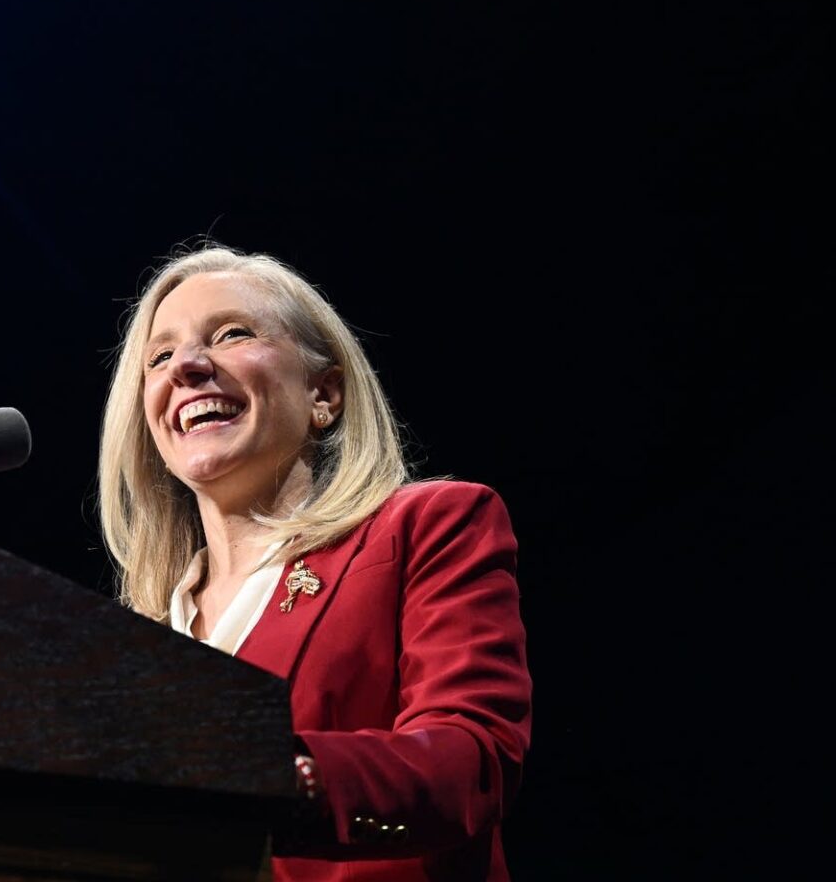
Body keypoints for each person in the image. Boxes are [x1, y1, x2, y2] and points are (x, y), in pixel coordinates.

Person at [97, 243, 533, 881]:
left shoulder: (426, 526)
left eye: (232, 334)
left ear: (324, 393)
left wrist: (278, 773)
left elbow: (472, 760)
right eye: (159, 356)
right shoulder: (136, 635)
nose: (186, 366)